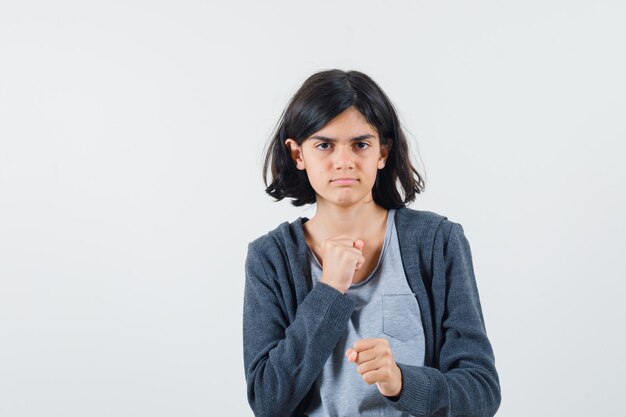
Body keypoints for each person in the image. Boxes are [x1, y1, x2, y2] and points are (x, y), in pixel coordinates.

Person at [243, 69, 501, 417]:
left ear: (383, 152)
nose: (344, 161)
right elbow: (267, 400)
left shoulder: (437, 241)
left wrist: (401, 382)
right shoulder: (270, 257)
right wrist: (329, 291)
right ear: (297, 154)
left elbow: (482, 391)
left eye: (361, 144)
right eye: (324, 145)